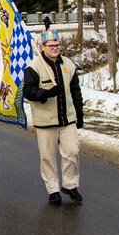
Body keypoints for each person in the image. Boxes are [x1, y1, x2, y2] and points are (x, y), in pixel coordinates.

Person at [22, 30, 85, 205]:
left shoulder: (68, 65)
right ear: (43, 47)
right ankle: (53, 189)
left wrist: (79, 114)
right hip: (46, 121)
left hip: (67, 119)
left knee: (72, 151)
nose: (55, 49)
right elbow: (28, 91)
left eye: (57, 45)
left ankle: (70, 185)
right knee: (48, 157)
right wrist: (46, 93)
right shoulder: (34, 67)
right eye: (51, 46)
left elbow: (75, 91)